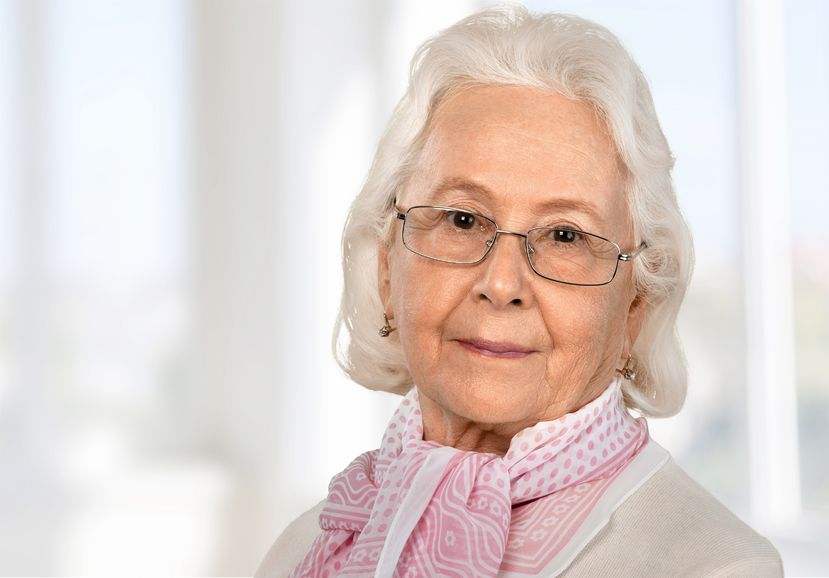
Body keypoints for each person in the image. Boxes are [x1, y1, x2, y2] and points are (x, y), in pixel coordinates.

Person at [257, 6, 784, 577]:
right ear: (388, 270)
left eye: (565, 235)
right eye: (462, 220)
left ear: (637, 305)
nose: (501, 284)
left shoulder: (717, 567)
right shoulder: (311, 545)